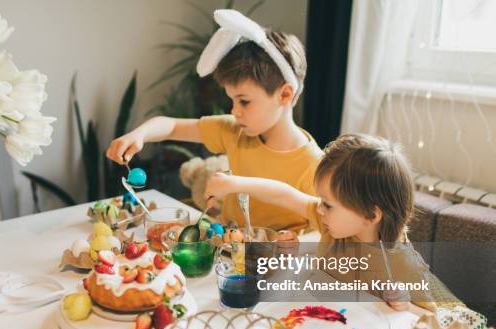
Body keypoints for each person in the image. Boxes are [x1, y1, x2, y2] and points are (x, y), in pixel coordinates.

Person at [107, 9, 322, 232]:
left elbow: (320, 236)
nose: (235, 110)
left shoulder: (315, 166)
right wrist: (139, 135)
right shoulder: (235, 130)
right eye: (232, 100)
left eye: (244, 101)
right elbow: (172, 126)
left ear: (285, 95)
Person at [205, 133, 462, 311]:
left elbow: (452, 317)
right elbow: (284, 194)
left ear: (371, 215)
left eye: (328, 204)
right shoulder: (332, 224)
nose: (320, 209)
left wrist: (403, 303)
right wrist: (234, 184)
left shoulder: (401, 264)